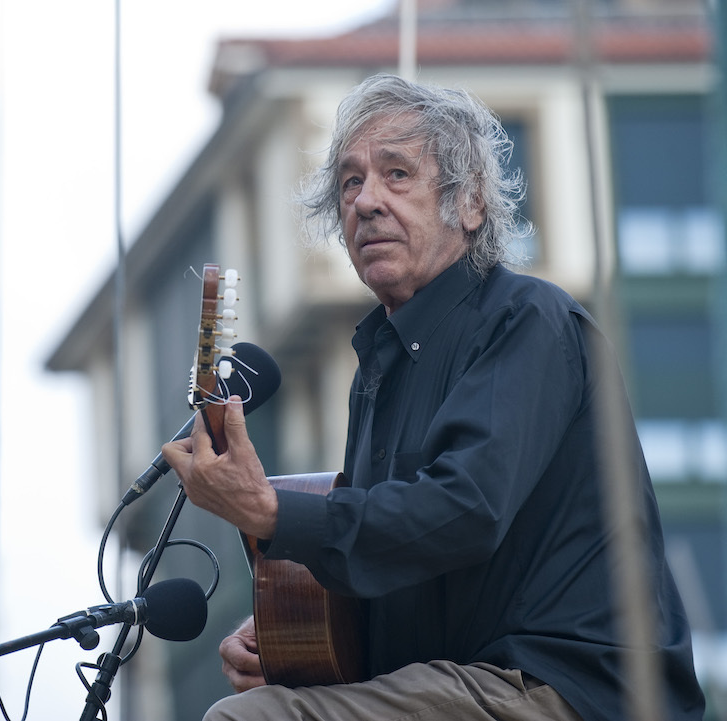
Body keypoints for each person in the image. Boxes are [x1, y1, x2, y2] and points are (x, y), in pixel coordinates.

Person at [161, 73, 704, 721]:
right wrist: (283, 636)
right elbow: (404, 563)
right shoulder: (379, 366)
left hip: (565, 687)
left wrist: (271, 511)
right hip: (451, 680)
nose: (366, 201)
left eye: (397, 174)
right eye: (350, 182)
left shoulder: (528, 319)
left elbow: (464, 509)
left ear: (469, 203)